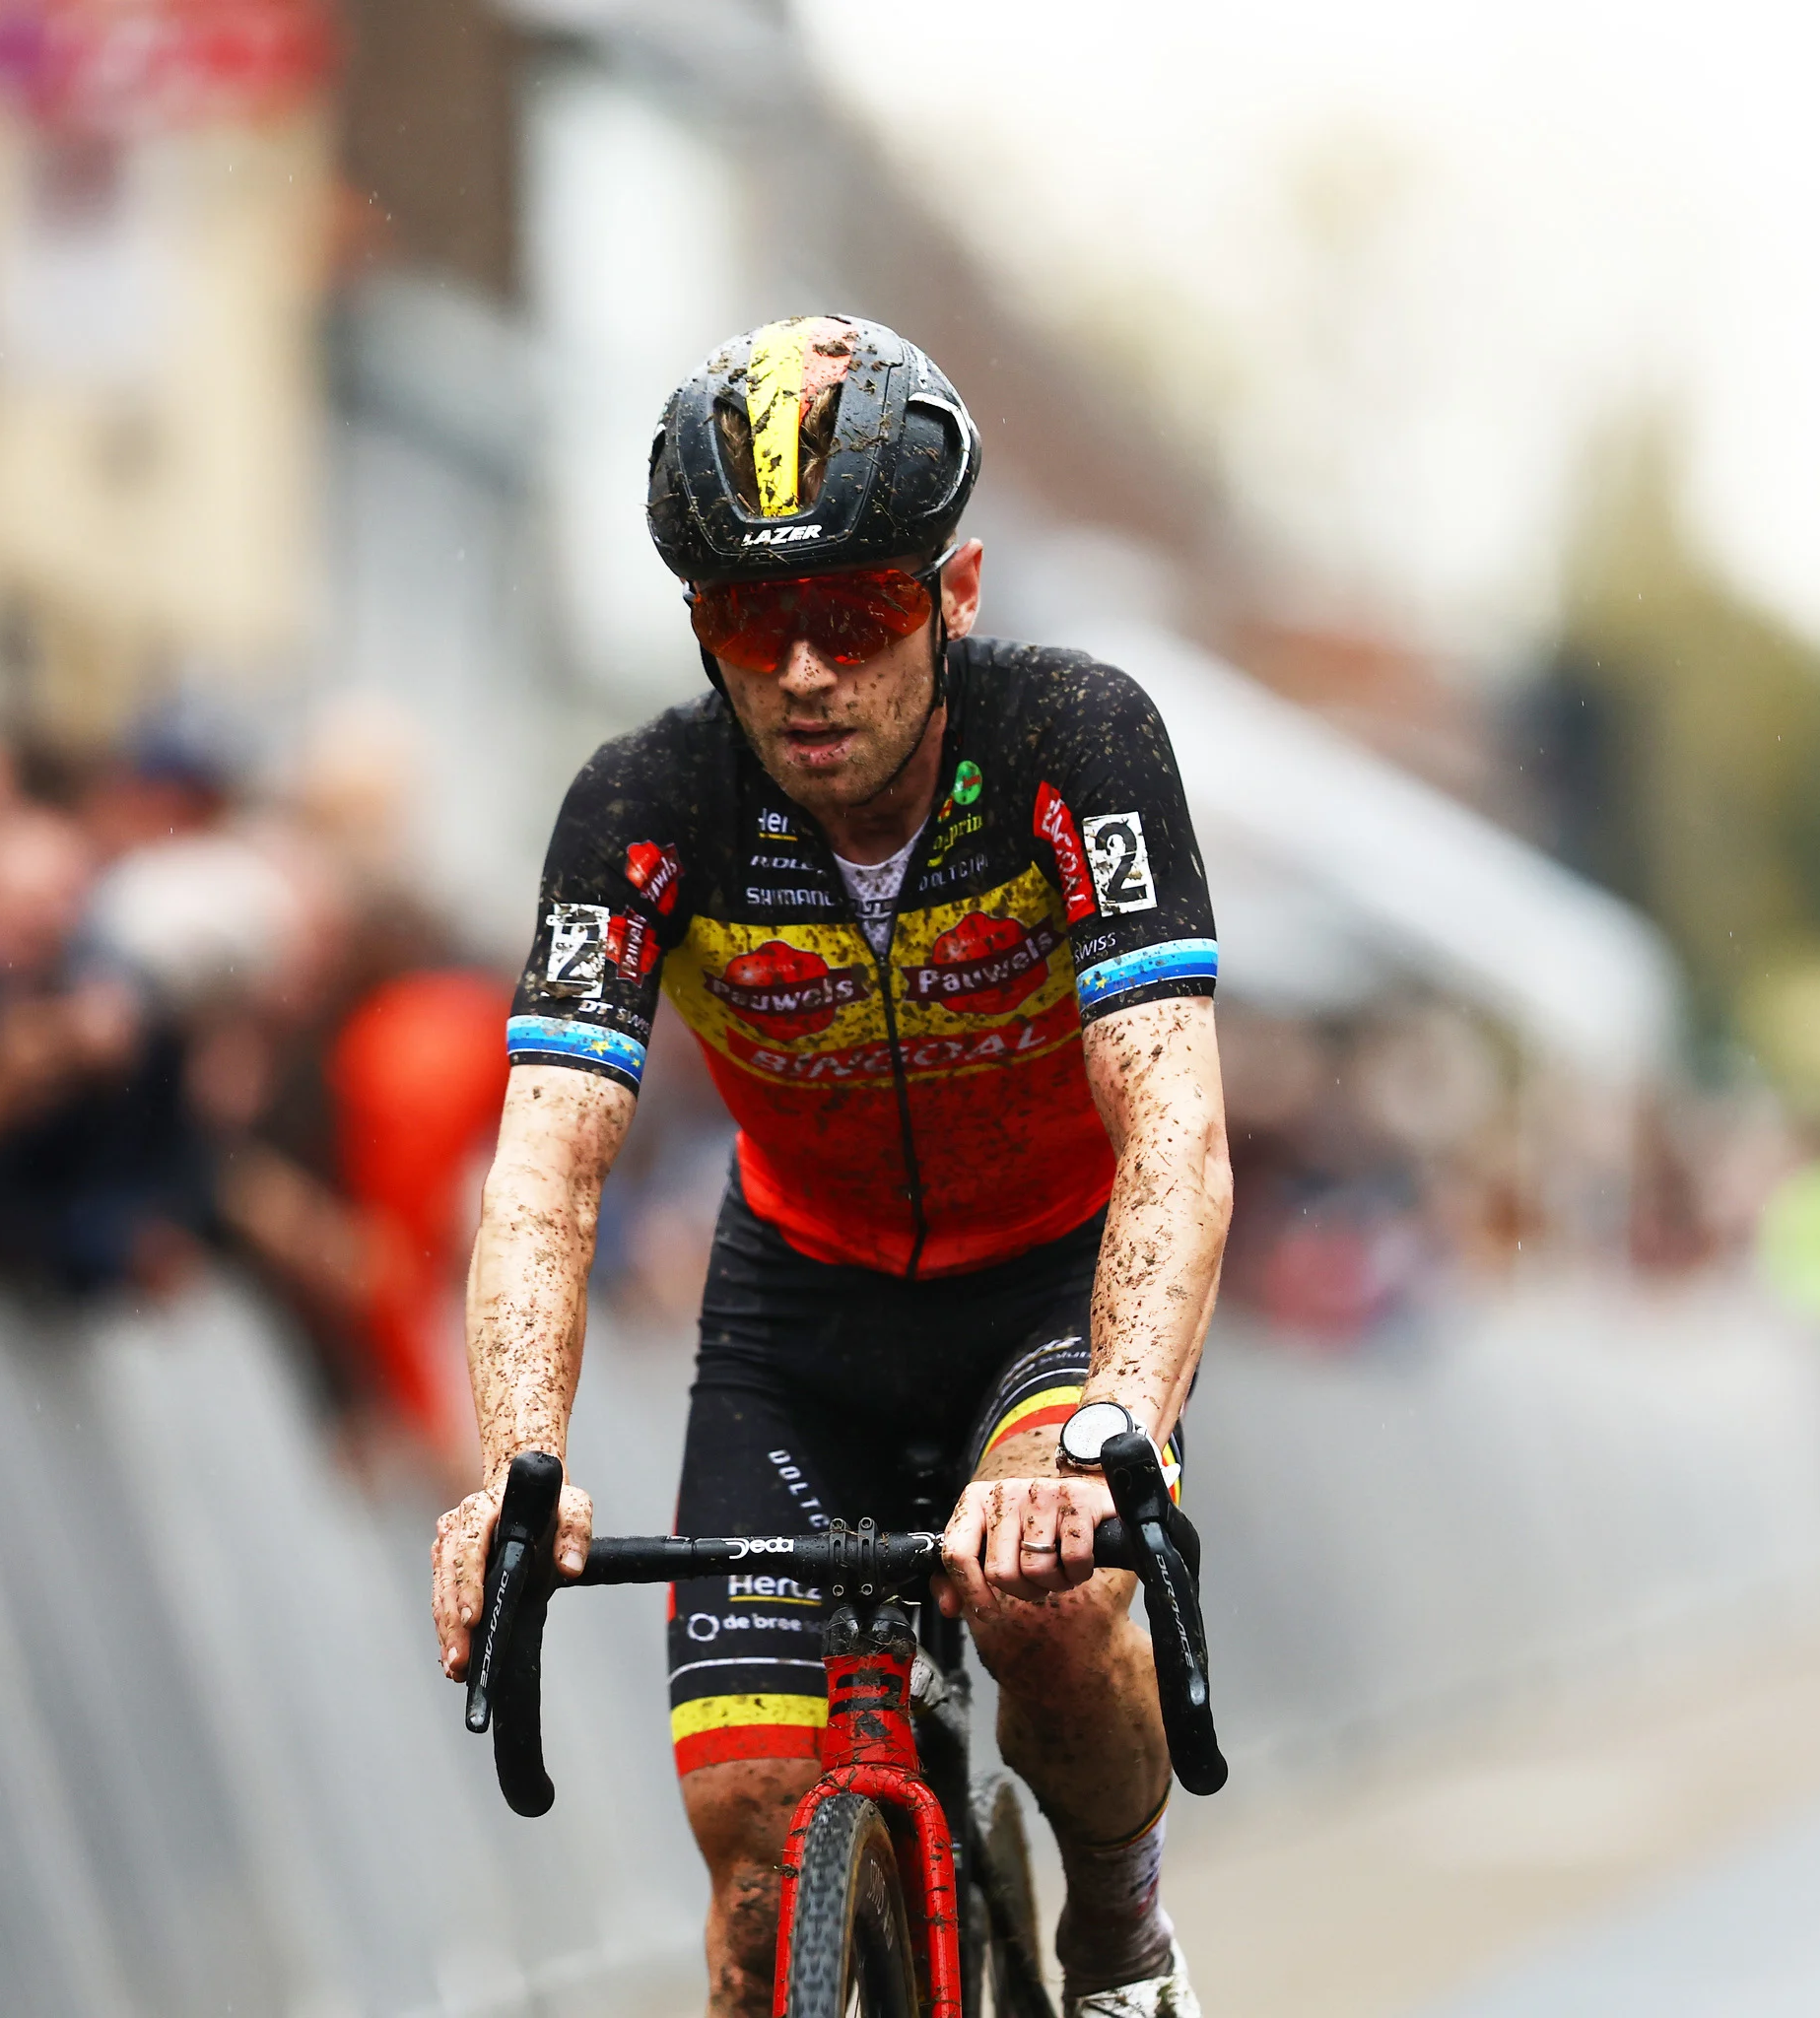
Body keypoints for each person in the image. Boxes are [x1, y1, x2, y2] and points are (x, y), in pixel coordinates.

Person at [429, 316, 1228, 2018]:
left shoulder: (1075, 744)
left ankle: (1117, 1929)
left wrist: (1118, 1436)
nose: (802, 672)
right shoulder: (645, 804)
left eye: (855, 614)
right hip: (799, 1318)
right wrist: (517, 1464)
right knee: (745, 1829)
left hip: (1045, 1293)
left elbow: (1174, 1130)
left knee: (1043, 1616)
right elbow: (546, 1176)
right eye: (747, 619)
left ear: (956, 592)